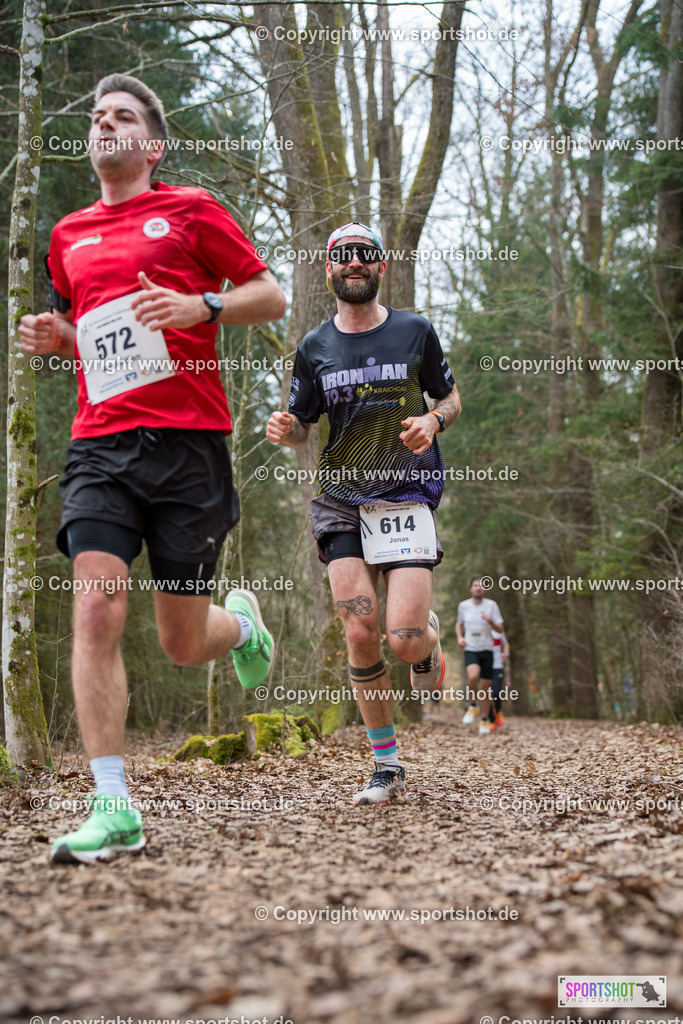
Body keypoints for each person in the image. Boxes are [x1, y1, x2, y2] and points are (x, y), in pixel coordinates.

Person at [19, 75, 286, 864]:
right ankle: (113, 805)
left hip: (189, 443)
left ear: (152, 143)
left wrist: (202, 306)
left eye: (123, 115)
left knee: (179, 641)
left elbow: (268, 296)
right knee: (96, 610)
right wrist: (56, 335)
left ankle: (241, 624)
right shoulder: (66, 234)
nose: (105, 124)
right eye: (97, 115)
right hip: (100, 443)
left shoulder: (193, 210)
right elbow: (89, 331)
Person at [266, 222, 460, 804]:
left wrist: (433, 420)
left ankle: (428, 640)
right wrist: (287, 429)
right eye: (343, 258)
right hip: (340, 498)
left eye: (365, 256)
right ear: (329, 270)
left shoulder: (415, 332)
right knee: (359, 629)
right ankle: (386, 764)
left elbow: (449, 397)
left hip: (406, 491)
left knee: (402, 641)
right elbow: (302, 426)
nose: (354, 264)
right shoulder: (313, 346)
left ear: (381, 268)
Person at [456, 577, 504, 735]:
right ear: (471, 589)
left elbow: (500, 630)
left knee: (485, 688)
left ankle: (484, 720)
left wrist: (490, 622)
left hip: (487, 649)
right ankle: (472, 705)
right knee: (472, 675)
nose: (478, 588)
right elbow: (459, 623)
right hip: (471, 648)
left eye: (482, 586)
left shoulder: (491, 605)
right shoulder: (464, 606)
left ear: (485, 589)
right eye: (475, 585)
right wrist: (460, 637)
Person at [490, 628, 510, 728]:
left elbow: (506, 643)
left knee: (496, 693)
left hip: (497, 666)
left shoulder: (498, 630)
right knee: (486, 694)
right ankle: (491, 720)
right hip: (484, 666)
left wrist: (506, 653)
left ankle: (498, 711)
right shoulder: (479, 628)